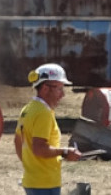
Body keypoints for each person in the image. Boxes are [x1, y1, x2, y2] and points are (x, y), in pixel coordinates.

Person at [15, 63, 82, 194]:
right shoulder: (43, 113)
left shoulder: (28, 109)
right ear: (45, 88)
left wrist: (31, 166)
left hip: (33, 181)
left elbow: (17, 141)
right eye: (59, 89)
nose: (62, 95)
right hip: (45, 184)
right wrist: (65, 152)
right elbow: (40, 148)